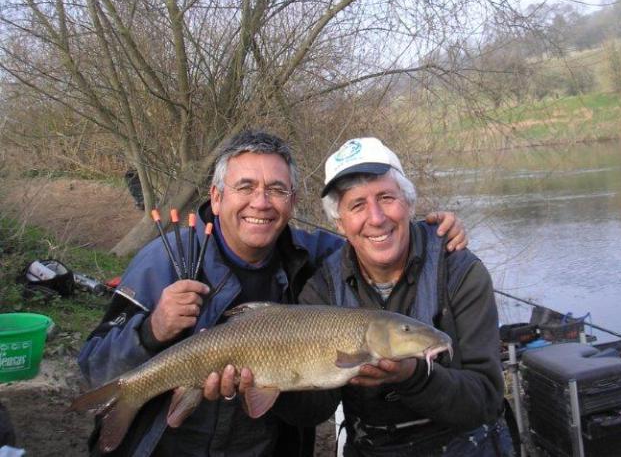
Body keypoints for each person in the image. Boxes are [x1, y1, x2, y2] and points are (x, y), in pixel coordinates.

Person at [77, 130, 467, 457]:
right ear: (216, 197)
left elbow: (372, 236)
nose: (261, 203)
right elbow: (92, 368)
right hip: (168, 445)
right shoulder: (163, 259)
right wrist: (152, 331)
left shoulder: (315, 256)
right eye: (245, 187)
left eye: (276, 190)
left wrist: (429, 235)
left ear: (293, 202)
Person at [293, 137, 513, 456]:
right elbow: (313, 409)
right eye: (357, 205)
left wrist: (415, 377)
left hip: (464, 443)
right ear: (339, 223)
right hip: (371, 444)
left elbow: (485, 399)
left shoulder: (460, 271)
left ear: (408, 204)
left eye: (386, 197)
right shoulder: (322, 289)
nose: (377, 217)